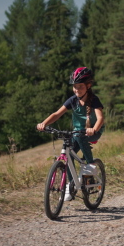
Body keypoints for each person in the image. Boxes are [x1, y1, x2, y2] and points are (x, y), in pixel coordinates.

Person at [37, 67, 105, 201]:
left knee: (79, 136)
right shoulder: (72, 100)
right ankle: (71, 183)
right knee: (68, 153)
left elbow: (100, 118)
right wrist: (44, 123)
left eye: (80, 87)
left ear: (88, 86)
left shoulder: (94, 100)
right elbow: (57, 114)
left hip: (93, 131)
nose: (77, 90)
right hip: (77, 131)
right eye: (75, 87)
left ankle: (90, 166)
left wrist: (94, 129)